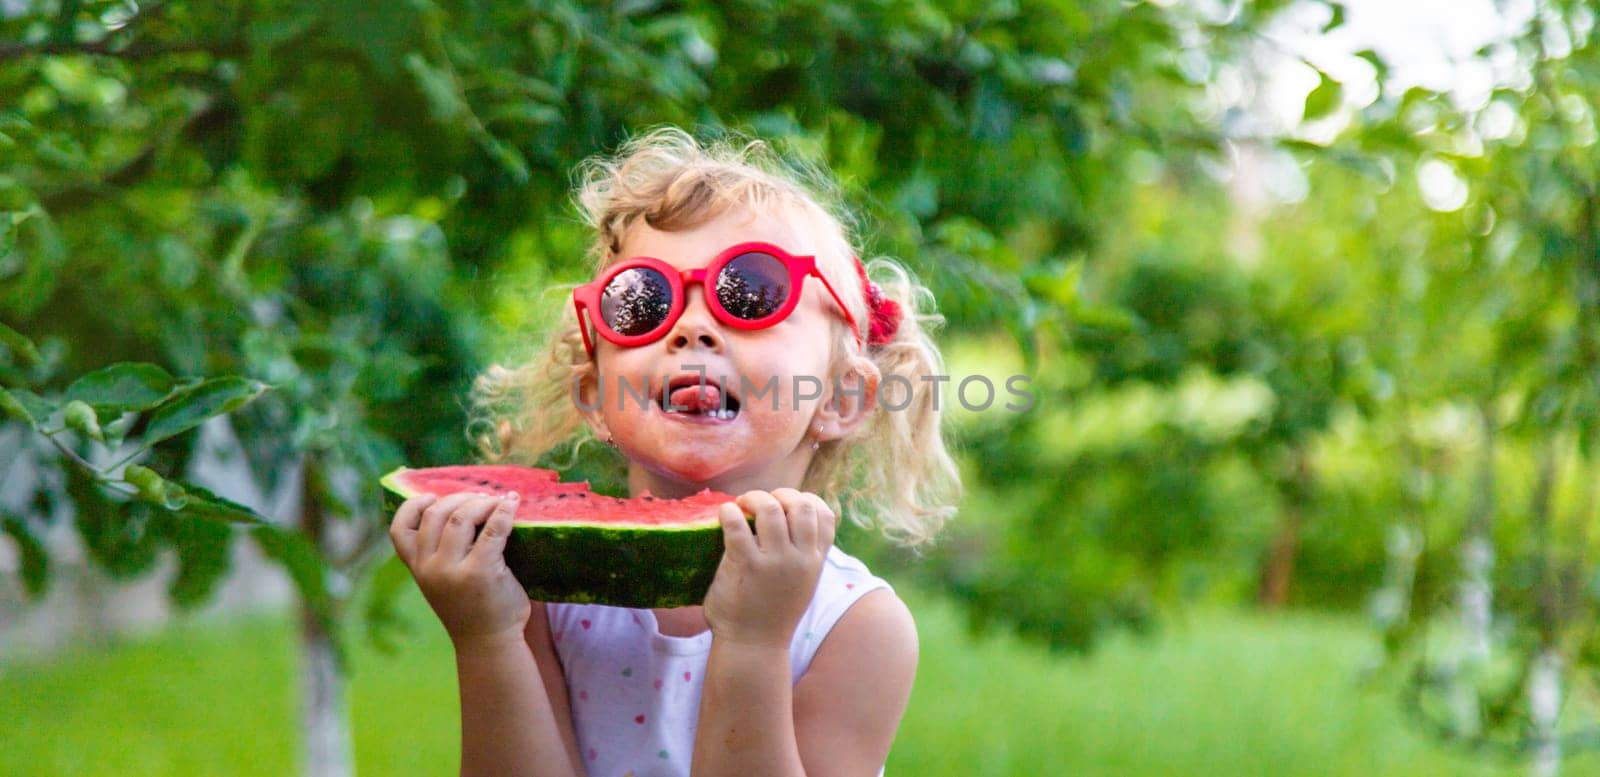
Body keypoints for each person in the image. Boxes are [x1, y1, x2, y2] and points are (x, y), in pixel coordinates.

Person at [388, 127, 961, 777]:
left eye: (749, 293)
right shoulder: (545, 590)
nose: (691, 326)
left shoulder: (857, 624)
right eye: (642, 303)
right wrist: (485, 637)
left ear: (839, 398)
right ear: (596, 394)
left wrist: (753, 643)